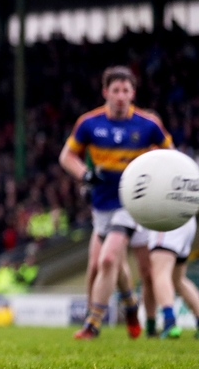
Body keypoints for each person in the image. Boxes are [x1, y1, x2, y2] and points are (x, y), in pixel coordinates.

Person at [59, 66, 172, 340]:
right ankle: (131, 305)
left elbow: (172, 158)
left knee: (112, 260)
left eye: (125, 90)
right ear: (105, 92)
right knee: (101, 265)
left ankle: (94, 324)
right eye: (115, 90)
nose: (120, 96)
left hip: (134, 205)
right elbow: (66, 156)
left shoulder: (148, 125)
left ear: (133, 93)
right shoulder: (89, 123)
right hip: (102, 205)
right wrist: (85, 175)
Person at [148, 216, 199, 339]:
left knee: (160, 272)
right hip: (187, 220)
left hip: (167, 217)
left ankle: (169, 322)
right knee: (178, 279)